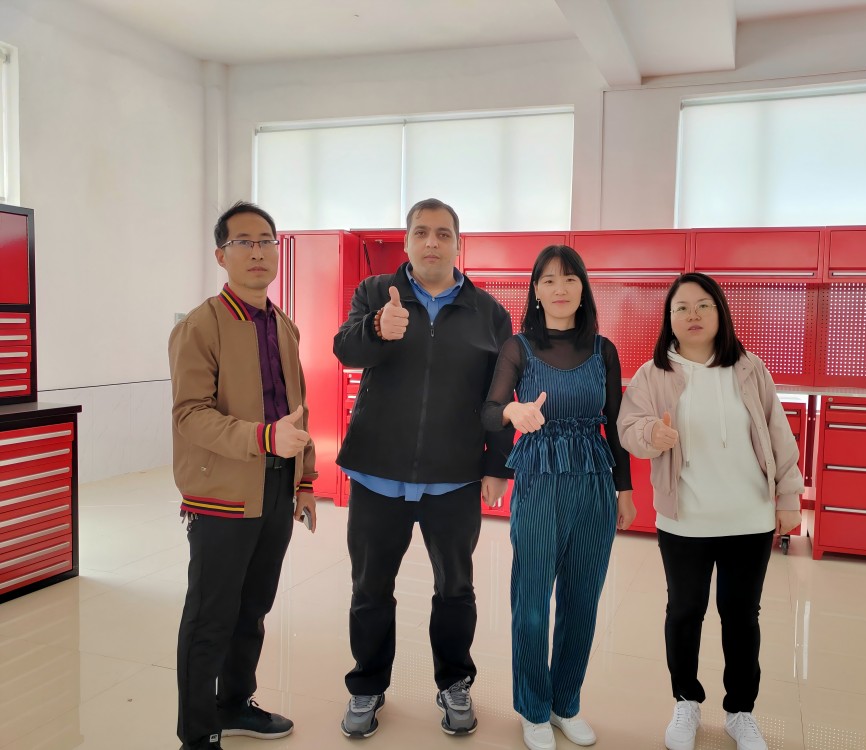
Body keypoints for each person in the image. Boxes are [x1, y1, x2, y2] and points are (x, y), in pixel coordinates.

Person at [333, 198, 514, 739]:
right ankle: (367, 686)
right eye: (420, 232)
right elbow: (344, 350)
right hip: (377, 475)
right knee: (370, 589)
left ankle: (454, 682)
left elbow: (500, 397)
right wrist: (376, 329)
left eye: (442, 233)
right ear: (407, 240)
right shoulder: (375, 293)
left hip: (453, 478)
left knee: (455, 588)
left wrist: (497, 465)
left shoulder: (488, 312)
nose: (431, 242)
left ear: (458, 243)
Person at [617, 272, 803, 750]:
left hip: (749, 518)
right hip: (685, 519)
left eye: (703, 305)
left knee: (741, 616)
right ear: (669, 319)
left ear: (720, 312)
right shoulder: (652, 374)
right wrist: (651, 435)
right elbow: (628, 427)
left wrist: (788, 497)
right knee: (684, 612)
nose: (693, 315)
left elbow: (779, 436)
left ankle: (740, 711)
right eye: (681, 308)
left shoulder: (750, 368)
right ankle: (686, 702)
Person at [169, 201, 318, 750]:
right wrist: (262, 438)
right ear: (221, 256)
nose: (257, 252)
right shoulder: (201, 325)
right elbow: (190, 414)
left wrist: (305, 480)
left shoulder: (284, 325)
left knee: (253, 608)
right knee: (210, 615)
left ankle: (234, 703)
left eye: (266, 241)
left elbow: (297, 409)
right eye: (244, 242)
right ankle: (197, 732)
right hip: (222, 494)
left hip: (276, 488)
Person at [481, 245, 635, 750]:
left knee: (582, 598)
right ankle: (533, 708)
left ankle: (565, 703)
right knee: (531, 598)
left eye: (570, 279)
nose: (560, 288)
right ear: (535, 291)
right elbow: (490, 410)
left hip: (593, 479)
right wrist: (512, 413)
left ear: (583, 289)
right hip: (540, 479)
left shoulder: (603, 350)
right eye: (548, 280)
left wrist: (624, 488)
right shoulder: (519, 348)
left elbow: (615, 423)